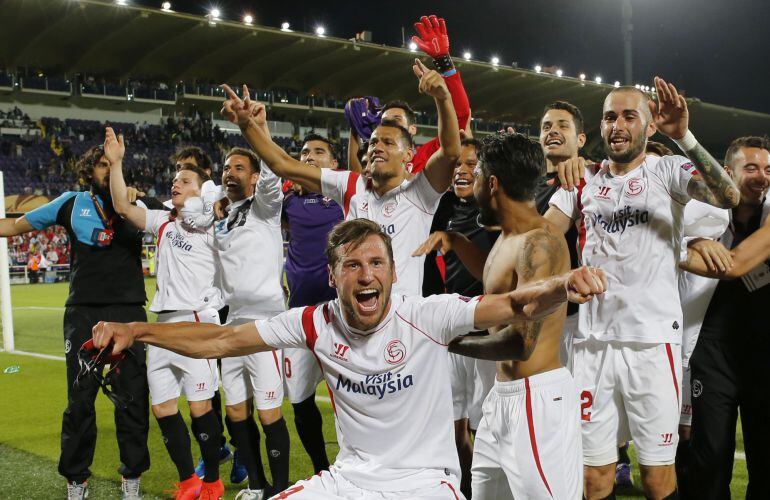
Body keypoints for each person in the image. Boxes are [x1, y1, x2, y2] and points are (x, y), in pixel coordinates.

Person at [92, 218, 609, 500]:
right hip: (349, 481)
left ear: (392, 273)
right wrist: (135, 329)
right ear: (334, 274)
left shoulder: (427, 315)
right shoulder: (314, 322)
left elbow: (515, 303)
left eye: (377, 263)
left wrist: (565, 283)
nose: (367, 275)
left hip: (426, 485)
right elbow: (220, 341)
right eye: (353, 265)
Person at [547, 77, 740, 499]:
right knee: (593, 479)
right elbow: (541, 241)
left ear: (650, 126)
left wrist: (684, 137)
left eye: (629, 116)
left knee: (656, 480)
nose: (617, 124)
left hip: (652, 346)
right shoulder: (583, 181)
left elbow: (728, 194)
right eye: (609, 116)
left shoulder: (667, 170)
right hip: (593, 346)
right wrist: (561, 279)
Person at [0, 141, 166, 499]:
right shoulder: (70, 203)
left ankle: (132, 476)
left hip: (128, 313)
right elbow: (13, 227)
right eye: (103, 165)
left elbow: (182, 219)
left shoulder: (137, 205)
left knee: (132, 398)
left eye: (114, 164)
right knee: (80, 400)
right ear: (89, 171)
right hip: (84, 313)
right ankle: (76, 479)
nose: (109, 170)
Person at [219, 56, 461, 298]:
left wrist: (442, 97)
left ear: (409, 154)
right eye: (374, 142)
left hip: (402, 321)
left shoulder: (420, 191)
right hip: (352, 319)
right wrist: (246, 124)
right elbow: (283, 164)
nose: (377, 147)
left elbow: (450, 151)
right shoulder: (351, 185)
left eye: (388, 142)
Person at [424, 133, 581, 499]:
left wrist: (445, 342)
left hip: (536, 401)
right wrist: (457, 242)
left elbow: (520, 343)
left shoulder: (539, 241)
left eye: (477, 173)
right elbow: (500, 287)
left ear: (492, 183)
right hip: (502, 397)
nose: (473, 182)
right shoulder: (509, 235)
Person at [105, 128, 225, 499]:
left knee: (200, 405)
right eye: (174, 178)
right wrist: (116, 164)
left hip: (196, 322)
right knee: (163, 407)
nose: (175, 183)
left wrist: (206, 192)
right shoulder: (163, 222)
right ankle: (188, 479)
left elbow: (217, 198)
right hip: (161, 325)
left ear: (200, 189)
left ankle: (212, 482)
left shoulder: (212, 224)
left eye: (184, 179)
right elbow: (123, 207)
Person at [677, 135, 770, 499]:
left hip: (764, 358)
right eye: (751, 168)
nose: (761, 177)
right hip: (711, 355)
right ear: (727, 172)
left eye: (767, 169)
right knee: (709, 460)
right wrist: (693, 240)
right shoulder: (699, 217)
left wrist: (685, 248)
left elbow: (735, 265)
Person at [411, 137, 497, 497]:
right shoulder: (437, 206)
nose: (462, 170)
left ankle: (489, 489)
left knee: (487, 423)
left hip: (486, 327)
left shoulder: (495, 210)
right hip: (443, 330)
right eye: (457, 164)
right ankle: (463, 489)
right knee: (452, 422)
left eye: (472, 164)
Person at [214, 147, 290, 499]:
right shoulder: (225, 216)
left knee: (267, 411)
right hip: (231, 326)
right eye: (227, 168)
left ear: (255, 177)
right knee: (235, 411)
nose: (230, 173)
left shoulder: (266, 209)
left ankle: (279, 489)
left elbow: (273, 178)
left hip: (264, 325)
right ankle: (257, 486)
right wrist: (218, 200)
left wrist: (254, 134)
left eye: (240, 168)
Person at [281, 133, 343, 474]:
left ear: (334, 165)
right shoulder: (288, 202)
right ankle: (322, 470)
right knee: (300, 399)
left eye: (319, 151)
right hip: (299, 317)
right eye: (304, 151)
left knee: (350, 397)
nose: (309, 156)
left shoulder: (346, 197)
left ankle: (353, 465)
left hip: (340, 316)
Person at [347, 15, 471, 176]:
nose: (390, 124)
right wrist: (354, 129)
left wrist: (444, 63)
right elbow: (354, 185)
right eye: (385, 122)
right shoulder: (374, 159)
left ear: (413, 129)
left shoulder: (427, 155)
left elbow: (459, 119)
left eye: (396, 120)